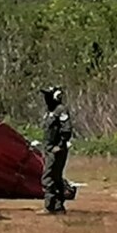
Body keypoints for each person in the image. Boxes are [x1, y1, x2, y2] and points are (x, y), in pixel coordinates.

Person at [40, 86, 73, 214]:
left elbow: (66, 129)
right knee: (54, 177)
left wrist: (59, 145)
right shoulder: (50, 111)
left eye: (48, 96)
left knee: (48, 177)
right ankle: (57, 206)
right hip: (49, 148)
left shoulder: (60, 110)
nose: (46, 99)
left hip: (56, 149)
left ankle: (50, 206)